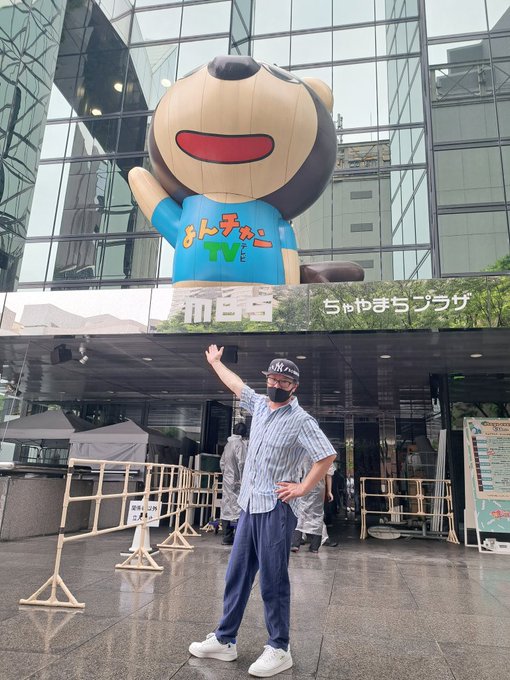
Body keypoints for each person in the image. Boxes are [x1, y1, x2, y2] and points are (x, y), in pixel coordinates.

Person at [189, 346, 336, 678]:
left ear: (294, 387)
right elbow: (236, 385)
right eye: (272, 379)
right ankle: (225, 640)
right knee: (237, 575)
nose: (276, 385)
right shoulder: (259, 406)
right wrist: (216, 363)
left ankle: (279, 648)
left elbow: (326, 455)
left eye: (283, 382)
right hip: (249, 506)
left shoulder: (301, 420)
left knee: (273, 579)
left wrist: (302, 488)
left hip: (276, 509)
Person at [220, 421, 248, 545]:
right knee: (240, 508)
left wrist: (226, 475)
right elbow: (243, 463)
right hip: (238, 481)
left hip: (227, 481)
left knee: (226, 507)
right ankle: (240, 538)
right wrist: (244, 479)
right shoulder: (240, 445)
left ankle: (227, 537)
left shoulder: (228, 444)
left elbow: (222, 463)